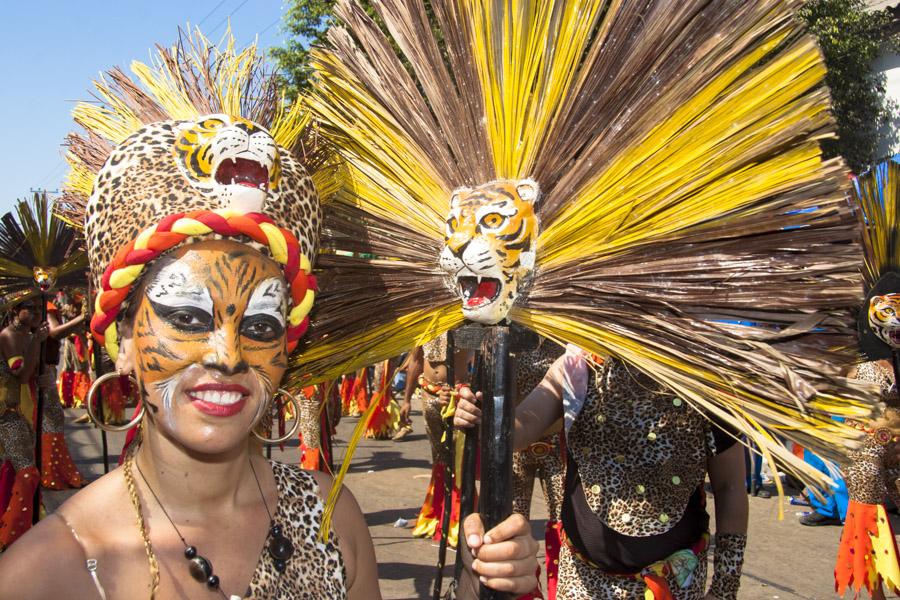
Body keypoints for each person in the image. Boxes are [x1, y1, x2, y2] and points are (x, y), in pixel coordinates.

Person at [0, 30, 538, 599]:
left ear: (288, 347)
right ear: (123, 338)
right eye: (186, 317)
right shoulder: (47, 573)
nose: (228, 356)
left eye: (260, 326)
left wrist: (491, 588)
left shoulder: (335, 522)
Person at [456, 347, 749, 599]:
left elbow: (730, 486)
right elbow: (518, 431)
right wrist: (485, 419)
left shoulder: (704, 377)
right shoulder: (579, 365)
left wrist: (725, 586)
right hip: (583, 582)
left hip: (678, 584)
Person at [0, 300, 48, 549]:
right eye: (31, 309)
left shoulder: (28, 336)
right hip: (8, 414)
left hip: (24, 408)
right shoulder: (8, 336)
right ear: (16, 311)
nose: (37, 314)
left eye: (39, 310)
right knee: (27, 472)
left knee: (14, 468)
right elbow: (21, 374)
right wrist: (37, 342)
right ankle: (14, 533)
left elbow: (34, 375)